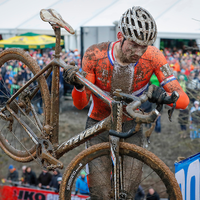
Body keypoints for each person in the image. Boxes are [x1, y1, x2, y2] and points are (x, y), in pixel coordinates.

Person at [63, 6, 189, 199]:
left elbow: (183, 101)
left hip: (131, 126)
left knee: (127, 193)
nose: (138, 51)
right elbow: (80, 104)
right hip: (98, 125)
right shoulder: (95, 54)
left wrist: (164, 95)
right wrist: (78, 87)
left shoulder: (153, 56)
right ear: (120, 35)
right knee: (101, 193)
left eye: (144, 46)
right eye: (134, 44)